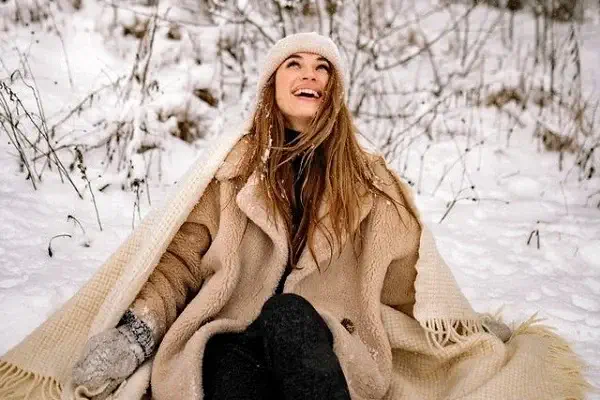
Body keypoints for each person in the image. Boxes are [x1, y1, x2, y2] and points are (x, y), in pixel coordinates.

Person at [0, 32, 587, 400]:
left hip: (325, 341)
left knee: (286, 314)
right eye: (294, 64)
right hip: (231, 335)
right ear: (271, 85)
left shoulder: (368, 182)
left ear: (334, 90)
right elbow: (180, 259)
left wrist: (461, 323)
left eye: (323, 67)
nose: (309, 74)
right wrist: (136, 333)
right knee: (222, 361)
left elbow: (405, 274)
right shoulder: (231, 172)